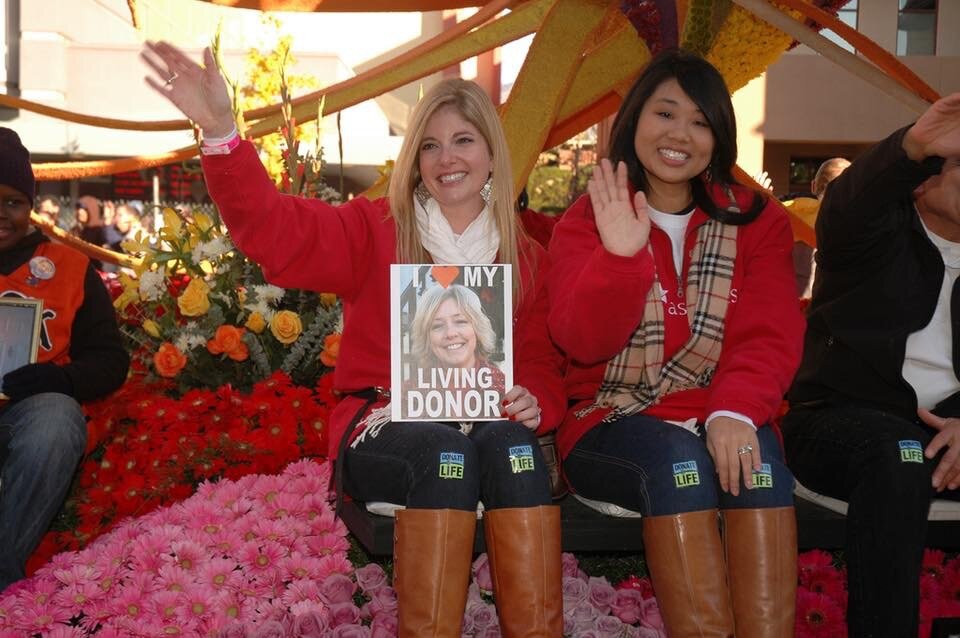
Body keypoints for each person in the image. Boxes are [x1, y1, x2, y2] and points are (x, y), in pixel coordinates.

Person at [142, 41, 565, 637]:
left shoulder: (527, 257)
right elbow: (275, 232)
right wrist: (220, 132)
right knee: (447, 457)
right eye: (430, 145)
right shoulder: (374, 230)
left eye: (464, 141)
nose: (448, 158)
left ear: (493, 154)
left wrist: (534, 399)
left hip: (487, 427)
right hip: (386, 426)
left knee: (517, 455)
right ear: (415, 161)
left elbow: (545, 364)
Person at [548, 49, 805, 636]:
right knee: (680, 465)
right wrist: (618, 256)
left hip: (725, 410)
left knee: (760, 467)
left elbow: (768, 334)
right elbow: (579, 342)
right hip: (610, 416)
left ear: (718, 137)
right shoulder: (589, 219)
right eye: (665, 114)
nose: (680, 135)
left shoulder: (757, 221)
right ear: (635, 121)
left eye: (700, 121)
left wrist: (735, 410)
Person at [783, 93, 960, 636]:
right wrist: (909, 147)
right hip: (841, 423)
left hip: (946, 435)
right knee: (900, 456)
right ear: (920, 181)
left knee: (907, 453)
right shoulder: (869, 235)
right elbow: (847, 206)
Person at [0, 128, 130, 591]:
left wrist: (59, 380)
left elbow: (111, 361)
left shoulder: (71, 265)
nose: (2, 214)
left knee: (57, 418)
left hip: (26, 413)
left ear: (31, 205)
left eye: (13, 201)